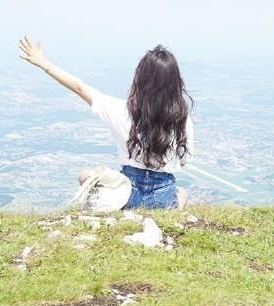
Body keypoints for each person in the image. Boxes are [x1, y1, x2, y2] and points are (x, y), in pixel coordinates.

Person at [18, 36, 194, 209]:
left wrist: (44, 64)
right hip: (161, 200)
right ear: (175, 84)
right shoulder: (182, 119)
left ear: (140, 79)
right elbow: (183, 160)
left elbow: (79, 87)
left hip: (126, 196)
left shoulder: (121, 110)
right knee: (183, 193)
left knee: (85, 175)